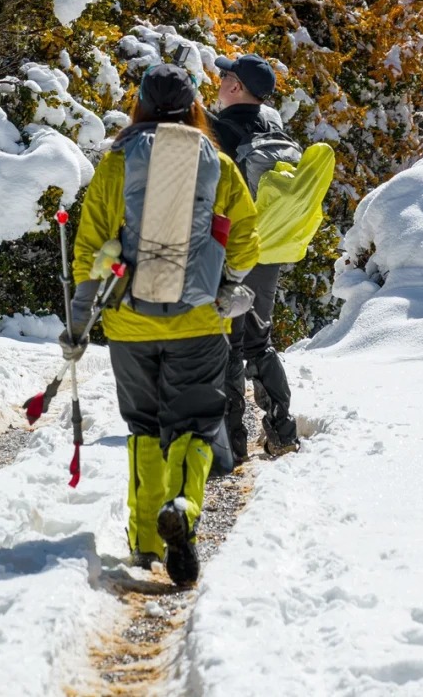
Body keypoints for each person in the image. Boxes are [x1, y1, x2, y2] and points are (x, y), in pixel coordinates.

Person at [65, 60, 258, 587]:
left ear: (141, 106)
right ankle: (183, 509)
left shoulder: (116, 163)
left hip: (130, 325)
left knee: (145, 429)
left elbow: (90, 249)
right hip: (199, 322)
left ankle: (147, 541)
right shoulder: (216, 162)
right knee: (194, 429)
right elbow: (246, 239)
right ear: (195, 106)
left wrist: (80, 320)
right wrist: (225, 285)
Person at [209, 53, 302, 461]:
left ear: (235, 87)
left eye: (224, 75)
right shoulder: (277, 133)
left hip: (233, 253)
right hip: (270, 252)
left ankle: (232, 445)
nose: (219, 81)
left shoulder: (221, 132)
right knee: (259, 342)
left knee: (228, 345)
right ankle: (282, 432)